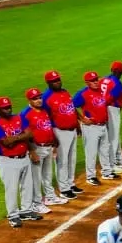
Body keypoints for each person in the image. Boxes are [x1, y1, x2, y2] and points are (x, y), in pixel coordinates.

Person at [0, 97, 40, 228]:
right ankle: (13, 215)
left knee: (27, 185)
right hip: (8, 161)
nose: (8, 109)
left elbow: (30, 134)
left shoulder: (19, 118)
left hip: (24, 157)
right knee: (11, 189)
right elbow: (6, 143)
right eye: (5, 108)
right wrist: (22, 136)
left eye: (9, 106)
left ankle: (26, 210)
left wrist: (16, 138)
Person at [42, 70, 82, 199]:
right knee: (62, 161)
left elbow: (71, 109)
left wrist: (77, 124)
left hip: (72, 130)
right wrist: (52, 136)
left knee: (72, 159)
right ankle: (64, 189)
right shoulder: (46, 98)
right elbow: (45, 118)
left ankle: (70, 183)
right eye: (54, 81)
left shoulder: (65, 92)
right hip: (59, 131)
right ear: (48, 83)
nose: (57, 82)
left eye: (58, 79)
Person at [73, 71, 116, 185]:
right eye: (93, 81)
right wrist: (82, 119)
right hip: (91, 127)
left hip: (102, 125)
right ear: (87, 82)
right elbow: (71, 106)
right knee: (91, 153)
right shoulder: (83, 94)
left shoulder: (100, 91)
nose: (96, 82)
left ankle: (107, 172)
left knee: (104, 150)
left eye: (96, 79)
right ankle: (90, 176)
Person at [101, 62, 122, 171]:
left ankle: (120, 159)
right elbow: (112, 98)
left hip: (106, 108)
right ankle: (112, 164)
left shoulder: (105, 79)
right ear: (121, 71)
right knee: (113, 137)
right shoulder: (117, 83)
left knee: (115, 136)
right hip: (111, 109)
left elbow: (121, 94)